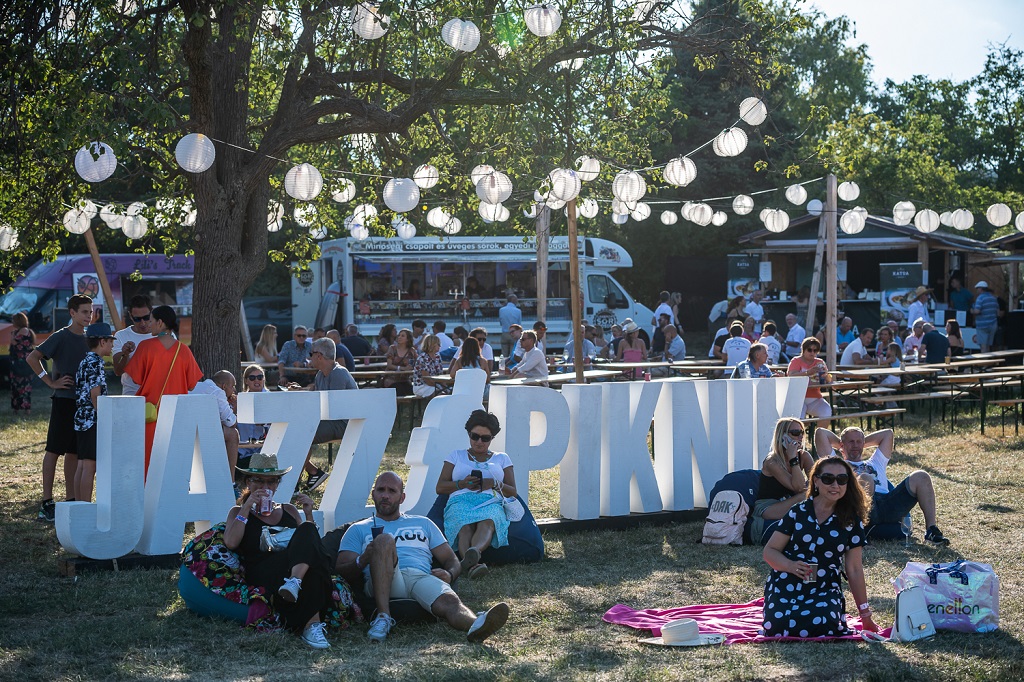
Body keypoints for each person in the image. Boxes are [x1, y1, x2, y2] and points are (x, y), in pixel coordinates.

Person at [336, 472, 510, 643]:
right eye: (381, 490)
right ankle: (383, 617)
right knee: (383, 540)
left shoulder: (423, 523)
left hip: (420, 577)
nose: (385, 496)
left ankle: (477, 625)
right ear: (373, 494)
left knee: (450, 601)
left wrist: (449, 575)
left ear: (402, 497)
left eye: (392, 491)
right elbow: (341, 570)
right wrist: (365, 558)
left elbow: (452, 560)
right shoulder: (358, 529)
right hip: (382, 580)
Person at [223, 454, 337, 649]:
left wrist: (308, 514)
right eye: (258, 481)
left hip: (292, 570)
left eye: (271, 481)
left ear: (277, 485)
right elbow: (231, 542)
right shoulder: (237, 511)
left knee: (309, 532)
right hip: (264, 569)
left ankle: (296, 585)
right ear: (248, 482)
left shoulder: (289, 510)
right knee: (315, 567)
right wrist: (247, 507)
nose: (264, 487)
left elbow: (308, 544)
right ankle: (312, 624)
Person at [762, 457, 877, 637]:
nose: (835, 485)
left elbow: (854, 569)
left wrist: (865, 615)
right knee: (776, 625)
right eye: (828, 479)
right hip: (786, 581)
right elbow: (770, 552)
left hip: (824, 586)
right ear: (816, 481)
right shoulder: (797, 511)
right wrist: (790, 566)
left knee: (823, 622)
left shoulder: (850, 520)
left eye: (842, 479)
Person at [814, 426, 950, 545]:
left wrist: (860, 441)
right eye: (851, 442)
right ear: (841, 444)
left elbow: (888, 434)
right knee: (866, 479)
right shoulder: (837, 464)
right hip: (861, 507)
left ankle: (931, 531)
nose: (855, 445)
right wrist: (842, 445)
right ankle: (858, 533)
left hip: (887, 504)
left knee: (921, 476)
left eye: (858, 442)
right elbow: (820, 433)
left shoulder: (875, 462)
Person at [27, 293, 92, 521]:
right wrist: (50, 382)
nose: (88, 316)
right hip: (63, 401)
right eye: (84, 312)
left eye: (91, 312)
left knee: (74, 452)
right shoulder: (61, 336)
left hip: (82, 404)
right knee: (54, 450)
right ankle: (46, 502)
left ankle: (71, 500)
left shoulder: (89, 338)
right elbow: (33, 358)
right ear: (72, 313)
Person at [434, 410, 518, 580]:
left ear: (492, 438)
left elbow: (513, 491)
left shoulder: (502, 458)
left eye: (485, 438)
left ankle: (471, 558)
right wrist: (461, 484)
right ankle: (474, 564)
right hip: (460, 499)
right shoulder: (455, 456)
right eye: (475, 436)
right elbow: (440, 487)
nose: (479, 442)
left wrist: (494, 484)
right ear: (469, 434)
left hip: (490, 499)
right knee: (464, 526)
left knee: (488, 521)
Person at [124, 305, 203, 474]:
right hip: (176, 415)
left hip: (150, 415)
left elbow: (135, 377)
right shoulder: (184, 350)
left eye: (151, 320)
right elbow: (192, 384)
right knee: (174, 464)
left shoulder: (145, 347)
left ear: (160, 322)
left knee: (149, 463)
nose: (149, 325)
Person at [302, 337, 359, 492]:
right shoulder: (320, 375)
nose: (309, 357)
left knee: (303, 433)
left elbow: (334, 410)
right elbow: (316, 402)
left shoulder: (338, 373)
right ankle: (312, 472)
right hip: (332, 420)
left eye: (311, 353)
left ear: (319, 355)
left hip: (345, 423)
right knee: (298, 431)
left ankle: (298, 479)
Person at [750, 418, 814, 545]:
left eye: (802, 432)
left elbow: (818, 481)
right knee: (805, 495)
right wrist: (793, 458)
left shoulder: (804, 456)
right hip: (768, 507)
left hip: (790, 502)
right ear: (783, 436)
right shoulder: (772, 461)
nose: (800, 436)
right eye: (795, 433)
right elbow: (798, 487)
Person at [73, 322, 115, 503]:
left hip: (81, 418)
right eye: (111, 341)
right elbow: (95, 395)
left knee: (81, 464)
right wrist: (104, 419)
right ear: (102, 341)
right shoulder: (96, 363)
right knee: (90, 466)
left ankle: (78, 505)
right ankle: (86, 506)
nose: (113, 345)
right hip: (92, 419)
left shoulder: (84, 361)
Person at [190, 370, 241, 479]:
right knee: (233, 434)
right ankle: (231, 481)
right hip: (200, 432)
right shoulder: (217, 392)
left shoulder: (196, 386)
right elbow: (231, 423)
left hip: (186, 429)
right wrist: (234, 408)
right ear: (224, 386)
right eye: (232, 386)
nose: (233, 390)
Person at [111, 295, 153, 396]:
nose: (142, 323)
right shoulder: (121, 335)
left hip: (158, 395)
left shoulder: (164, 335)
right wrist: (125, 354)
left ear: (152, 313)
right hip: (132, 395)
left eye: (146, 318)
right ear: (130, 316)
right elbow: (118, 371)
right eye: (137, 319)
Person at [787, 337, 832, 424]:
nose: (812, 353)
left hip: (815, 398)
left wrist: (826, 376)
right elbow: (790, 375)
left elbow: (829, 380)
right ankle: (799, 436)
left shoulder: (820, 362)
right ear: (803, 350)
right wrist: (808, 373)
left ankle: (820, 436)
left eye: (815, 351)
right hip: (798, 398)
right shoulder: (796, 361)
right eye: (809, 350)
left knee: (827, 411)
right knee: (799, 419)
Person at [236, 365, 270, 469]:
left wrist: (264, 422)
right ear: (246, 381)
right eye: (252, 378)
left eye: (260, 377)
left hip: (265, 450)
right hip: (242, 450)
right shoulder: (240, 399)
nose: (257, 380)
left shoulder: (271, 398)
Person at [8, 311, 36, 414]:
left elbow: (14, 343)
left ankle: (23, 408)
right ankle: (21, 408)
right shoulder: (21, 331)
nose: (12, 322)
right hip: (21, 362)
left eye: (14, 320)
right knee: (20, 387)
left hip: (22, 363)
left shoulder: (23, 331)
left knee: (22, 386)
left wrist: (13, 336)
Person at [383, 328, 417, 396]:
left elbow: (413, 364)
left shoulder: (411, 351)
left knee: (411, 391)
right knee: (399, 390)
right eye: (399, 335)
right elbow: (389, 365)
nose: (399, 337)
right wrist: (402, 368)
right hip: (392, 379)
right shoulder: (392, 348)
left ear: (408, 339)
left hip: (405, 379)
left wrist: (410, 367)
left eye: (402, 336)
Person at [412, 334, 446, 398]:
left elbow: (440, 374)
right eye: (438, 344)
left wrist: (444, 386)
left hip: (434, 384)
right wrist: (439, 386)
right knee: (440, 393)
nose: (440, 346)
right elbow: (426, 378)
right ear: (432, 345)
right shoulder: (422, 357)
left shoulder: (437, 357)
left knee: (448, 391)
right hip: (422, 386)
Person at [971, 281, 999, 353]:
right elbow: (998, 312)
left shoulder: (980, 298)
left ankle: (984, 363)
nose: (977, 290)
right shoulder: (993, 298)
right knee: (988, 346)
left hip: (982, 325)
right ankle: (988, 363)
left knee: (983, 346)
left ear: (981, 289)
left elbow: (977, 311)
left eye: (977, 288)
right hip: (993, 324)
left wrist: (971, 311)